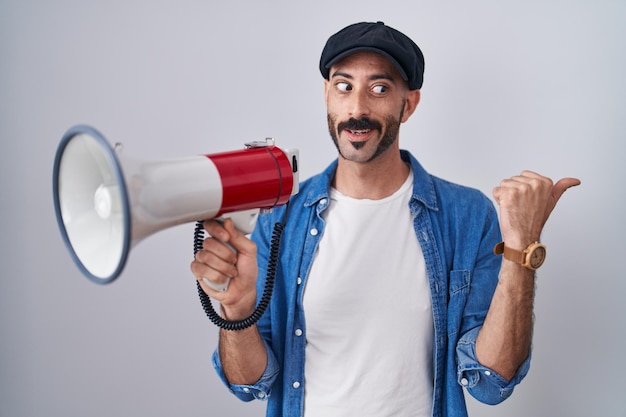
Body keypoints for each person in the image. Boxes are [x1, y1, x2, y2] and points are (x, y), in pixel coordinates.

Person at [191, 21, 581, 417]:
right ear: (327, 94)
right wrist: (236, 312)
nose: (357, 108)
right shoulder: (280, 216)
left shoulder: (467, 215)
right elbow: (248, 383)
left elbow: (492, 381)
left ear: (408, 104)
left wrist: (520, 249)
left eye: (380, 89)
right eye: (344, 86)